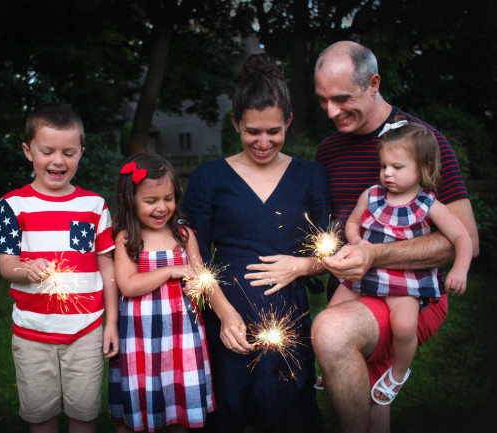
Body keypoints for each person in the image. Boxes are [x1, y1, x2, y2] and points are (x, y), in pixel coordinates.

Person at [309, 41, 480, 432]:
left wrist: (375, 255)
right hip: (356, 284)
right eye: (322, 100)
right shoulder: (329, 151)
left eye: (341, 99)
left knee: (332, 332)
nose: (331, 112)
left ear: (373, 83)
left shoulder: (423, 142)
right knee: (364, 387)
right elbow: (337, 228)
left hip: (412, 292)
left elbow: (464, 238)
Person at [183, 53, 329, 432]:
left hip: (288, 316)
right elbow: (190, 253)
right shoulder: (208, 178)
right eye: (252, 132)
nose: (263, 142)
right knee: (229, 411)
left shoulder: (311, 176)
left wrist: (302, 265)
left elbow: (331, 249)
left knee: (288, 415)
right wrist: (223, 312)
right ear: (235, 123)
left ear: (289, 123)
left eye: (273, 131)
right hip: (229, 317)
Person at [0, 102, 119, 433]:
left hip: (86, 331)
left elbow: (107, 266)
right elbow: (5, 265)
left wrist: (111, 322)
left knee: (85, 414)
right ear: (28, 151)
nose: (58, 160)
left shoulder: (94, 206)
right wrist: (24, 269)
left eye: (68, 152)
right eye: (47, 151)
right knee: (40, 416)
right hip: (32, 332)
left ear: (81, 153)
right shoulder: (12, 205)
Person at [327, 120, 473, 405]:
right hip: (366, 274)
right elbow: (352, 224)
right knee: (330, 316)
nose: (387, 173)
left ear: (424, 168)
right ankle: (335, 369)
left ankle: (398, 372)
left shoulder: (428, 204)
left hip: (405, 281)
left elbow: (462, 237)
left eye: (397, 167)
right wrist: (357, 242)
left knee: (405, 326)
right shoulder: (372, 196)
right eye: (383, 166)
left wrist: (460, 269)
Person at [108, 153, 215, 433]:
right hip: (141, 340)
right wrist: (169, 271)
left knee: (178, 405)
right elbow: (128, 285)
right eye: (151, 201)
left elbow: (203, 278)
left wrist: (198, 287)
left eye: (168, 198)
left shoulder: (184, 235)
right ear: (127, 199)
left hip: (181, 336)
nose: (162, 208)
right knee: (139, 404)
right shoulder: (127, 239)